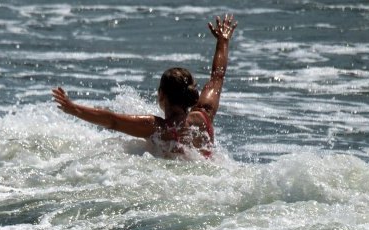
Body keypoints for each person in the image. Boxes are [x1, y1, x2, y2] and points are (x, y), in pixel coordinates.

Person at [52, 14, 237, 159]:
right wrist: (223, 40)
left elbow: (112, 121)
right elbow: (217, 76)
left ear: (161, 95)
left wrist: (74, 108)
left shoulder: (157, 127)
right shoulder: (204, 115)